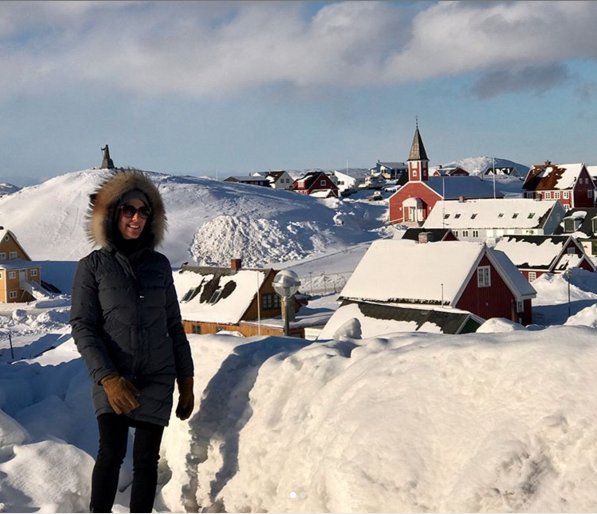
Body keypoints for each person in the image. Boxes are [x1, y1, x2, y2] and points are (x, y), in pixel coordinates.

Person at [70, 169, 195, 513]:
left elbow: (173, 325)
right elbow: (83, 326)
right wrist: (107, 378)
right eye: (129, 210)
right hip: (113, 376)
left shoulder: (159, 265)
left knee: (146, 462)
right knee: (111, 454)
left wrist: (186, 381)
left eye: (144, 212)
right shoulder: (92, 267)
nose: (137, 218)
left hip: (157, 376)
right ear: (113, 214)